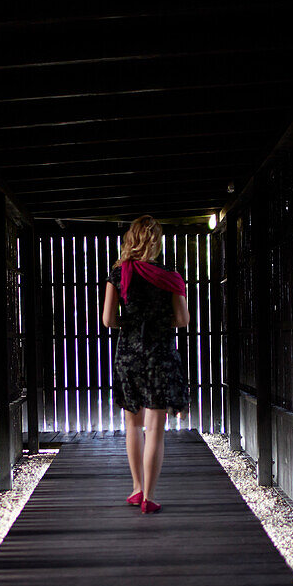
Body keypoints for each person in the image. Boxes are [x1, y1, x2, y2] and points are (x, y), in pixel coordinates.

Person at [102, 215, 190, 513]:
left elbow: (107, 320)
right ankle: (150, 497)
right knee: (155, 428)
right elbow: (182, 319)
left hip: (129, 354)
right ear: (156, 241)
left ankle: (137, 488)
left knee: (132, 424)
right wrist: (158, 321)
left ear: (131, 239)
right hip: (160, 354)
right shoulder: (171, 276)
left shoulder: (119, 273)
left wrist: (130, 322)